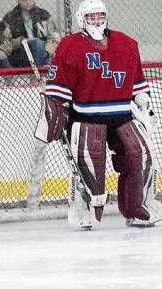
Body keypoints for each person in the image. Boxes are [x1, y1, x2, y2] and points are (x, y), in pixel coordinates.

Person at [34, 0, 162, 229]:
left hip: (122, 114)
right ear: (81, 19)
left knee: (140, 156)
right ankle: (83, 209)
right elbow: (59, 86)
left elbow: (137, 82)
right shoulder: (70, 45)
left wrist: (143, 100)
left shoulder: (125, 43)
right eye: (91, 17)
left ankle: (136, 209)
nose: (96, 21)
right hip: (86, 117)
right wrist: (56, 107)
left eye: (99, 16)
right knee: (89, 164)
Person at [3, 0, 60, 67]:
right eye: (24, 0)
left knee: (40, 47)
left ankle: (37, 71)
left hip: (44, 52)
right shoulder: (10, 18)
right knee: (37, 43)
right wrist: (21, 41)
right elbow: (6, 43)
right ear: (18, 1)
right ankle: (38, 72)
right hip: (21, 53)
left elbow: (54, 39)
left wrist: (47, 53)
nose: (27, 2)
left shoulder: (44, 16)